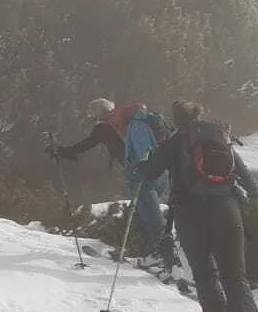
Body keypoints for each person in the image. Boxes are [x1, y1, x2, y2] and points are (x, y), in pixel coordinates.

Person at [136, 100, 258, 312]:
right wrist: (254, 191)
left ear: (176, 120)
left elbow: (149, 174)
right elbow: (245, 176)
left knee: (205, 276)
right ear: (200, 114)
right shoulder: (218, 137)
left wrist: (142, 163)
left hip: (189, 216)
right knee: (235, 276)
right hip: (227, 211)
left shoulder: (172, 143)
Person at [48, 99, 173, 268]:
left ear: (98, 114)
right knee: (146, 212)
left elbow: (86, 144)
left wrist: (62, 151)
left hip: (139, 173)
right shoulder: (139, 119)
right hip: (160, 171)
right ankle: (152, 252)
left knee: (149, 215)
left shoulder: (106, 127)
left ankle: (163, 255)